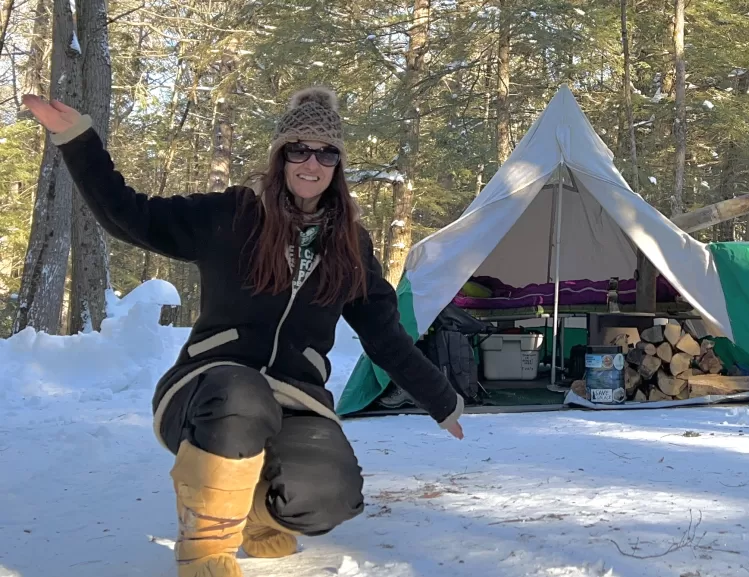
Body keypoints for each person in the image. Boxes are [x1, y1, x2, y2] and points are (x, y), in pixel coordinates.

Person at [23, 87, 466, 577]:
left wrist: (440, 399)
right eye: (298, 149)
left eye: (326, 153)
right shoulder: (230, 216)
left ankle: (250, 515)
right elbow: (131, 215)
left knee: (331, 497)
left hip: (295, 400)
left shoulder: (350, 246)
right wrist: (76, 139)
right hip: (208, 393)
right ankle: (205, 548)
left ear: (338, 164)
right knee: (242, 390)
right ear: (280, 156)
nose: (310, 163)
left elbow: (385, 336)